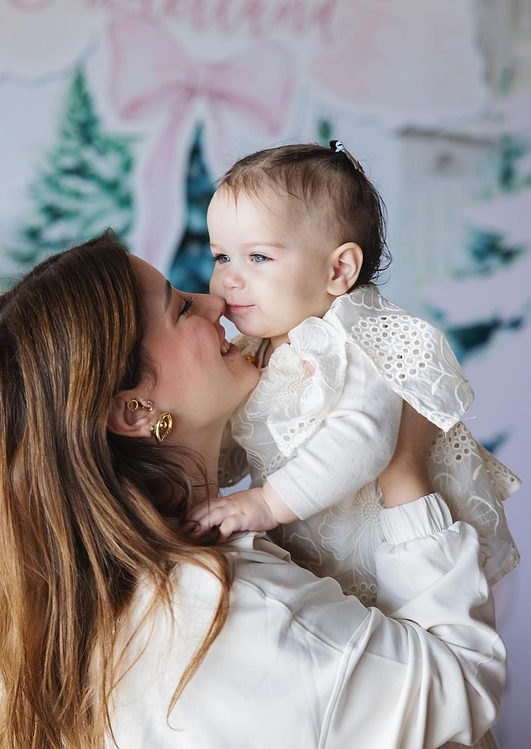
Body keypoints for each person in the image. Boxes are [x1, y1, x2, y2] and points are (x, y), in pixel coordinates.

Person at [0, 231, 505, 748]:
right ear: (136, 409)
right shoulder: (234, 613)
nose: (216, 302)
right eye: (181, 307)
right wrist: (403, 468)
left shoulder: (47, 636)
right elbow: (461, 687)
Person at [186, 141, 520, 607]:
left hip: (385, 555)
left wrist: (263, 503)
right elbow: (240, 443)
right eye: (222, 257)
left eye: (257, 257)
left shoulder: (354, 343)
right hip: (308, 553)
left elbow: (363, 439)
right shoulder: (254, 349)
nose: (228, 280)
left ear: (339, 269)